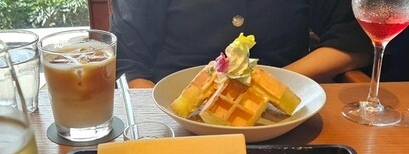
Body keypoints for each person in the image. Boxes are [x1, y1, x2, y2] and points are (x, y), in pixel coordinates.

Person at [110, 0, 373, 87]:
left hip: (287, 119)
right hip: (175, 122)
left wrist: (272, 84)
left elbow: (356, 38)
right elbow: (129, 62)